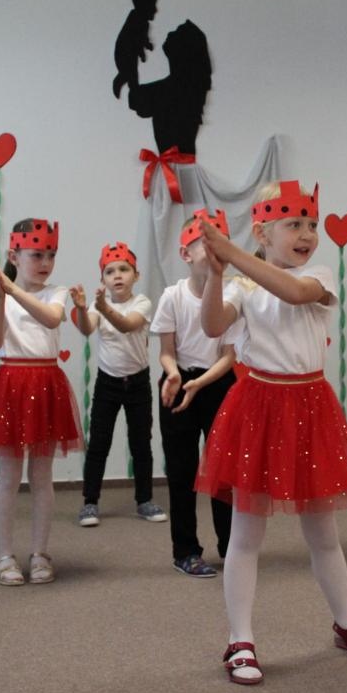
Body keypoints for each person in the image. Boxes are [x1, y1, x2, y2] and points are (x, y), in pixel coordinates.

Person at [196, 180, 347, 685]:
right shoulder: (242, 285)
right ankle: (240, 639)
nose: (307, 234)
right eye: (294, 225)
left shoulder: (318, 276)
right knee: (245, 535)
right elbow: (214, 325)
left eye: (312, 224)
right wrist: (217, 273)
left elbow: (292, 291)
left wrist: (233, 254)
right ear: (264, 233)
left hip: (309, 409)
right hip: (259, 410)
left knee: (323, 533)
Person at [0, 219, 83, 586]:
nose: (46, 262)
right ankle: (4, 555)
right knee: (8, 475)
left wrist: (12, 290)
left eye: (51, 255)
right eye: (37, 255)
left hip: (47, 382)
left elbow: (51, 319)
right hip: (11, 383)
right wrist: (1, 296)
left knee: (41, 475)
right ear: (14, 255)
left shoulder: (56, 292)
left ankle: (40, 553)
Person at [151, 210, 238, 576]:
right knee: (182, 471)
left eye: (220, 241)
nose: (215, 247)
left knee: (224, 473)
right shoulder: (172, 297)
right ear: (185, 254)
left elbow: (230, 355)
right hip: (178, 384)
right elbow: (166, 352)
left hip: (218, 384)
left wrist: (201, 383)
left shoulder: (232, 296)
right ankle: (185, 550)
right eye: (205, 242)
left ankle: (232, 547)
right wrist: (173, 373)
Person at [70, 242, 166, 526]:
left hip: (138, 383)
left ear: (136, 275)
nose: (117, 275)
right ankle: (90, 502)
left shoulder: (142, 303)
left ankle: (144, 500)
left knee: (141, 443)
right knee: (99, 443)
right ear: (103, 279)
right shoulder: (97, 306)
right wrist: (81, 309)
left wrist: (103, 307)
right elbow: (87, 328)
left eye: (124, 269)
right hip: (107, 384)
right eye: (110, 271)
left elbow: (127, 324)